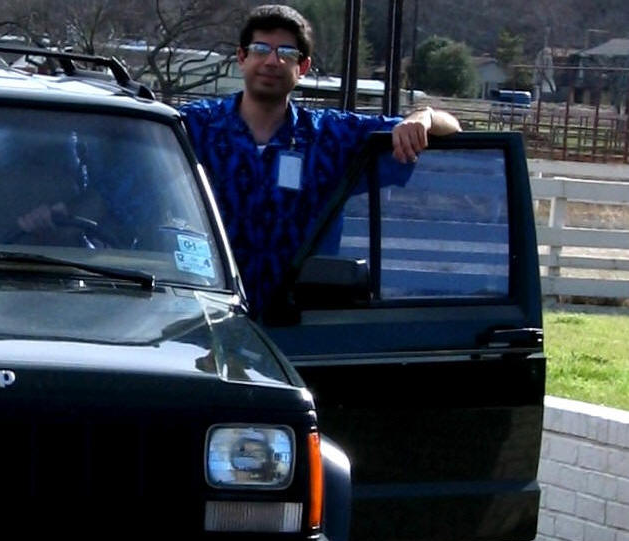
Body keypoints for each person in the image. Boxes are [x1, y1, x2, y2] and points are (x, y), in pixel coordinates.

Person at [181, 4, 461, 317]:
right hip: (208, 315)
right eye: (260, 49)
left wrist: (423, 116)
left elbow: (449, 126)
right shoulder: (194, 127)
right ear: (242, 57)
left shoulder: (329, 136)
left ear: (303, 67)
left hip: (298, 322)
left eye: (287, 53)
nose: (272, 61)